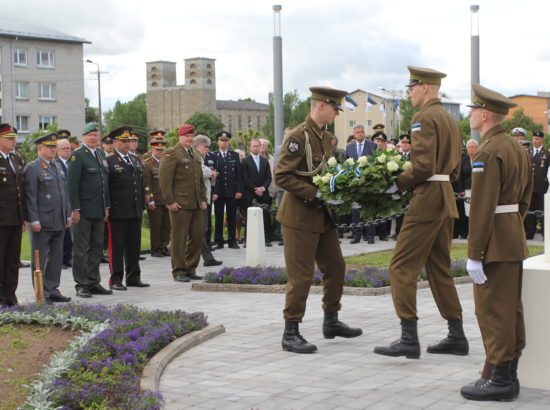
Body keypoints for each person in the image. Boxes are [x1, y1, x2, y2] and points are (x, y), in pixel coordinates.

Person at [374, 66, 468, 359]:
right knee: (439, 268)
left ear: (425, 87)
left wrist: (396, 183)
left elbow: (423, 166)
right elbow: (452, 169)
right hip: (444, 198)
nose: (409, 92)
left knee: (400, 266)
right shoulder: (451, 121)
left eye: (412, 88)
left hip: (427, 198)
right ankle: (456, 334)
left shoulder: (424, 118)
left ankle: (408, 335)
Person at [275, 86, 362, 354]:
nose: (337, 113)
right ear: (321, 106)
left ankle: (331, 320)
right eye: (335, 108)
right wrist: (314, 193)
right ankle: (291, 331)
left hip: (322, 216)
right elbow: (282, 176)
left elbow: (326, 172)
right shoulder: (299, 136)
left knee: (336, 267)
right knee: (301, 277)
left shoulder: (324, 137)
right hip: (300, 216)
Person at [460, 84, 532, 402]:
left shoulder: (488, 151)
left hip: (494, 244)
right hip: (511, 236)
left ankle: (501, 380)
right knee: (509, 309)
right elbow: (525, 199)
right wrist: (511, 226)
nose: (470, 115)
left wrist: (475, 253)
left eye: (473, 110)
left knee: (493, 311)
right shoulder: (516, 147)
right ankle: (509, 376)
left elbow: (482, 207)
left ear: (485, 114)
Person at [24, 132, 72, 303]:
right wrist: (33, 219)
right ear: (40, 148)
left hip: (58, 219)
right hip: (42, 222)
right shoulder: (33, 168)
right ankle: (41, 292)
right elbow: (30, 196)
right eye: (50, 147)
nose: (53, 150)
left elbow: (64, 193)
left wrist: (67, 215)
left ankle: (52, 289)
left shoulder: (57, 166)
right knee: (40, 259)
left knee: (56, 258)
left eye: (54, 147)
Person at [67, 122, 112, 298]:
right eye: (90, 135)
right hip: (83, 211)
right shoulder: (77, 156)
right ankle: (81, 284)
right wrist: (74, 209)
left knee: (96, 247)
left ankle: (94, 281)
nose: (93, 137)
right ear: (83, 137)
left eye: (95, 134)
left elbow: (104, 184)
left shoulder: (100, 154)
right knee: (81, 249)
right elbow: (71, 185)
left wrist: (106, 206)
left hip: (99, 209)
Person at [159, 124, 206, 282]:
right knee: (179, 238)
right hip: (180, 204)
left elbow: (199, 180)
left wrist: (204, 199)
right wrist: (170, 201)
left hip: (196, 203)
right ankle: (178, 270)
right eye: (187, 136)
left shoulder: (195, 154)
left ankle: (190, 267)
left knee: (197, 236)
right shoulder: (172, 154)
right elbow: (165, 181)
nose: (189, 138)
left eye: (192, 136)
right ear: (180, 137)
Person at [105, 126, 149, 290]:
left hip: (135, 209)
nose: (126, 144)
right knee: (117, 247)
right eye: (123, 141)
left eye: (128, 141)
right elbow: (106, 188)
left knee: (133, 246)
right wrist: (107, 207)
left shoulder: (136, 160)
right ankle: (116, 279)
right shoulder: (109, 161)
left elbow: (140, 183)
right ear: (115, 142)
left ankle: (133, 277)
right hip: (118, 211)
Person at [0, 124, 26, 306]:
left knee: (12, 260)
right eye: (9, 138)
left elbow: (20, 190)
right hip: (1, 219)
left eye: (14, 138)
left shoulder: (16, 159)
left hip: (15, 218)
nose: (13, 141)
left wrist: (23, 216)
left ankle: (11, 295)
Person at [193, 134, 223, 267]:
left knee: (203, 228)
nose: (207, 149)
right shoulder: (194, 156)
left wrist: (211, 173)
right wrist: (210, 172)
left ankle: (207, 257)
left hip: (204, 197)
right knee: (200, 229)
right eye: (205, 147)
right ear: (198, 146)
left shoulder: (202, 157)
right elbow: (199, 172)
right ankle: (206, 257)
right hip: (198, 198)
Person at [344, 124, 377, 244]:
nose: (360, 134)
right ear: (354, 134)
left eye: (362, 132)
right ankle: (356, 236)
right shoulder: (349, 147)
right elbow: (346, 164)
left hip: (368, 183)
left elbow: (376, 162)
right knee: (355, 211)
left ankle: (370, 236)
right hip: (355, 184)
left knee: (369, 209)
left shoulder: (373, 145)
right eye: (357, 132)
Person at [211, 131, 243, 249]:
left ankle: (231, 240)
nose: (224, 143)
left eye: (226, 140)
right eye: (221, 140)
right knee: (219, 217)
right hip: (218, 191)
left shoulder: (234, 155)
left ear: (228, 142)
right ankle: (219, 241)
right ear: (218, 142)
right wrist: (214, 191)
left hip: (232, 190)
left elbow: (239, 175)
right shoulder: (214, 155)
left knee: (231, 216)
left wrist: (239, 190)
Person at [143, 136, 171, 257]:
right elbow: (147, 183)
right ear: (152, 150)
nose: (159, 152)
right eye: (157, 150)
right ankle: (155, 249)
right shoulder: (148, 164)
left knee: (166, 226)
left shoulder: (167, 162)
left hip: (167, 199)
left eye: (161, 150)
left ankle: (164, 246)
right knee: (156, 226)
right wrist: (150, 200)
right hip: (156, 200)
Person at [242, 138, 272, 246]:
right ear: (250, 147)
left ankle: (266, 239)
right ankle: (248, 240)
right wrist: (255, 189)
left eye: (257, 146)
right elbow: (245, 178)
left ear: (260, 147)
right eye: (254, 146)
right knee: (249, 218)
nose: (256, 148)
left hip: (263, 193)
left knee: (265, 216)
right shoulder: (245, 161)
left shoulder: (265, 161)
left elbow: (269, 178)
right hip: (250, 194)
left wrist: (262, 188)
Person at [524, 130, 548, 239]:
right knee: (530, 211)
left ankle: (545, 233)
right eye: (533, 138)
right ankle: (529, 233)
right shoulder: (527, 151)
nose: (535, 140)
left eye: (537, 139)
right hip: (529, 187)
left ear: (541, 140)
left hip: (541, 187)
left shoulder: (547, 152)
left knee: (543, 211)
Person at [55, 138, 73, 269]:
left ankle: (67, 257)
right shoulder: (56, 164)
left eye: (68, 148)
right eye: (63, 148)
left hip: (73, 202)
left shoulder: (73, 163)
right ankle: (60, 259)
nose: (67, 151)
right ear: (57, 151)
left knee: (70, 233)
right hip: (61, 203)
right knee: (63, 233)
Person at [394, 133, 412, 238]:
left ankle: (409, 234)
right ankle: (398, 232)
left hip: (411, 188)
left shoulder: (414, 156)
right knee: (399, 211)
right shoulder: (397, 157)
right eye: (403, 143)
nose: (405, 145)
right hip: (400, 188)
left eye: (407, 143)